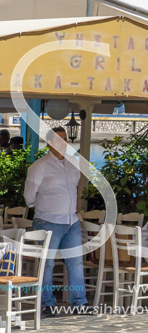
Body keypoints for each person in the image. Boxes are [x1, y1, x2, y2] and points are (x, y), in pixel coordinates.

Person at [24, 127, 89, 316]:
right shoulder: (40, 166)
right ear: (49, 143)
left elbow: (75, 192)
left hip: (71, 221)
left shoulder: (74, 163)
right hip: (48, 221)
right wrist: (47, 206)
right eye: (58, 139)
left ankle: (80, 303)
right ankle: (47, 304)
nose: (62, 143)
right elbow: (29, 198)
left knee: (76, 262)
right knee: (47, 264)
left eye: (65, 139)